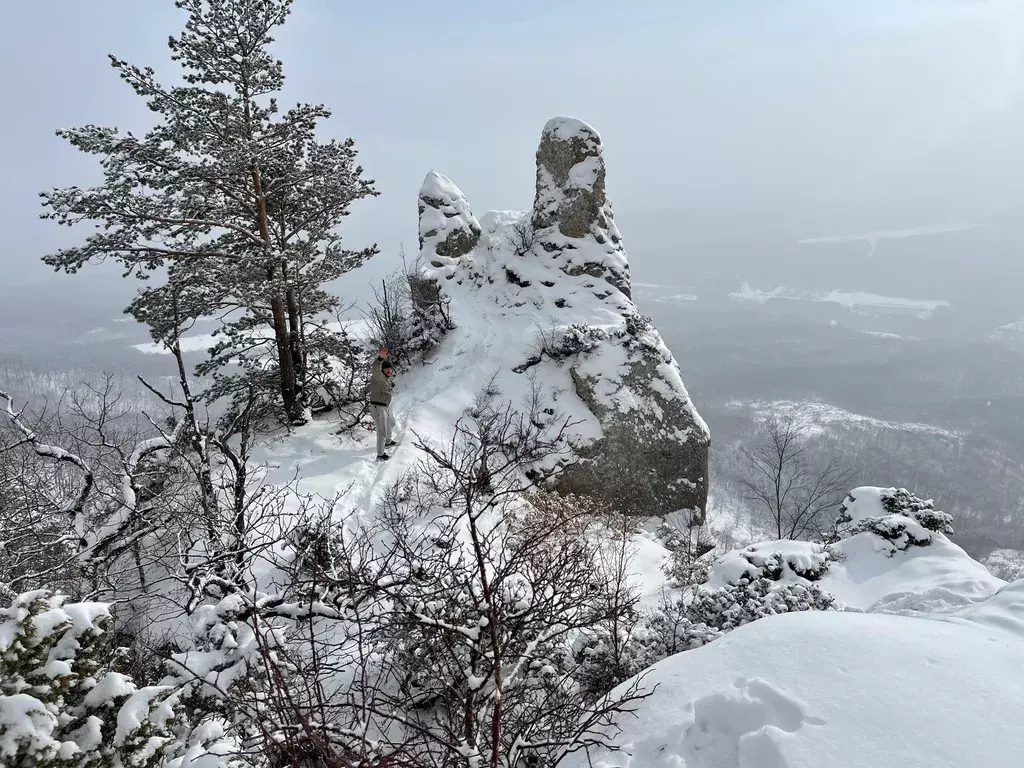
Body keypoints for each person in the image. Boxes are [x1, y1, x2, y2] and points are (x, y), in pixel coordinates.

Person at [368, 348, 397, 461]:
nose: (389, 370)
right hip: (378, 407)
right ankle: (380, 454)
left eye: (390, 368)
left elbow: (372, 386)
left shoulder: (385, 379)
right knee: (382, 430)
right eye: (386, 369)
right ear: (382, 370)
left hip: (385, 407)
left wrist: (366, 390)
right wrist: (380, 358)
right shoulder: (378, 375)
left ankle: (388, 442)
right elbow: (375, 367)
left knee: (392, 422)